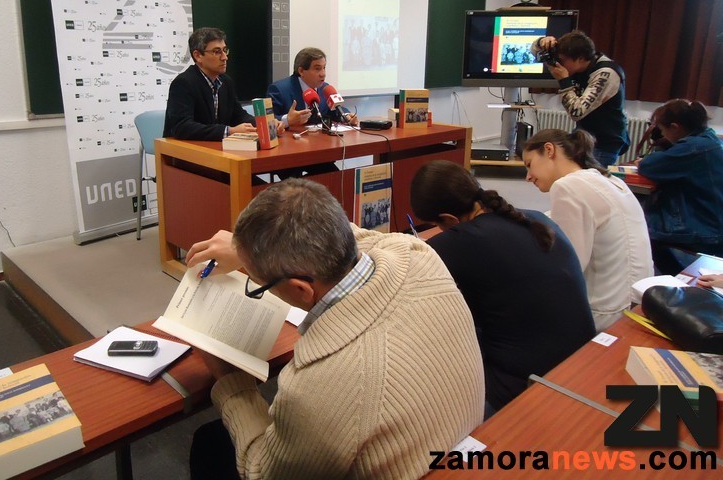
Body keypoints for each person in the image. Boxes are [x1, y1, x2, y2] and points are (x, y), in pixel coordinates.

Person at [185, 178, 484, 480]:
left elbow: (263, 472)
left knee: (209, 443)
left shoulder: (317, 390)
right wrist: (244, 248)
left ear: (301, 290)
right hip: (459, 441)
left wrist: (231, 381)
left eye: (259, 284)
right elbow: (355, 236)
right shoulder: (417, 253)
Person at [410, 160, 595, 415]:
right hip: (584, 362)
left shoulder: (456, 244)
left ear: (448, 219)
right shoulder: (536, 218)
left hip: (526, 387)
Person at [522, 128, 653, 331]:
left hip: (605, 312)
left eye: (529, 165)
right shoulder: (609, 180)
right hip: (638, 300)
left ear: (549, 150)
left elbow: (568, 266)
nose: (528, 177)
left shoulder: (567, 186)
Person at [636, 99, 723, 274]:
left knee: (640, 230)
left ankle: (675, 276)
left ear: (675, 127)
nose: (663, 135)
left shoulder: (692, 148)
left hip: (703, 227)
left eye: (662, 130)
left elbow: (649, 165)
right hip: (713, 220)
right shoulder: (709, 138)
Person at [531, 30, 629, 166]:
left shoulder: (605, 74)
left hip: (604, 142)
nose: (558, 64)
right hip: (585, 136)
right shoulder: (579, 64)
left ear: (581, 59)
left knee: (590, 183)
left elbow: (577, 112)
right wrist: (542, 42)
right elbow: (534, 52)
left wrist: (564, 80)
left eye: (562, 60)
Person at [163, 27, 263, 140]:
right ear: (198, 56)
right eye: (217, 52)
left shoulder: (226, 81)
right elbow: (182, 127)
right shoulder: (183, 83)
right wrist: (229, 131)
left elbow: (238, 115)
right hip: (187, 152)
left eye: (225, 50)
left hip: (217, 149)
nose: (225, 57)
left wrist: (263, 125)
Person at [267, 47, 358, 128]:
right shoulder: (279, 90)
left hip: (319, 142)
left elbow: (335, 111)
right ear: (301, 71)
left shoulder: (325, 88)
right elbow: (267, 120)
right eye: (317, 68)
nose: (323, 74)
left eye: (324, 68)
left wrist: (346, 116)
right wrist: (287, 120)